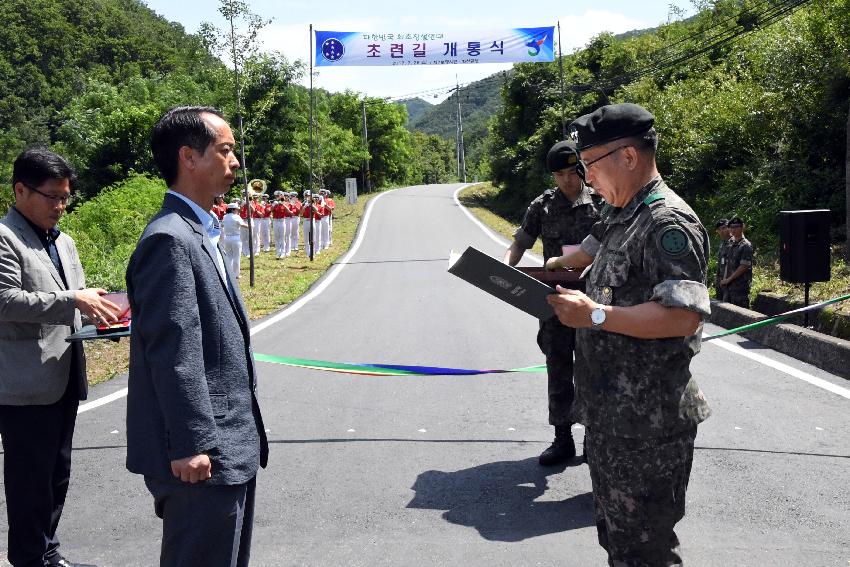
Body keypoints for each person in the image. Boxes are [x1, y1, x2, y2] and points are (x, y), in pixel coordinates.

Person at [545, 103, 712, 566]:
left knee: (646, 552)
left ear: (629, 157)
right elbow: (587, 255)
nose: (587, 177)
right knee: (620, 544)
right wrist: (543, 273)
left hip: (650, 425)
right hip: (612, 418)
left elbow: (683, 316)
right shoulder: (623, 213)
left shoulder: (666, 222)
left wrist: (596, 315)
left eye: (591, 165)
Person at [125, 106, 269, 566]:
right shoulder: (170, 239)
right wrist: (191, 443)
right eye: (225, 151)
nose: (235, 163)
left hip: (228, 447)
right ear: (189, 157)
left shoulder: (199, 229)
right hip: (203, 458)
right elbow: (175, 352)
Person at [0, 146, 122, 567]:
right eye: (52, 196)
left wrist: (103, 320)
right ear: (20, 190)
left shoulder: (63, 241)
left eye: (66, 196)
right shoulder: (4, 237)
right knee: (29, 480)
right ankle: (29, 558)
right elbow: (4, 301)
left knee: (57, 474)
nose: (61, 206)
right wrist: (73, 299)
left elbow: (73, 304)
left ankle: (48, 552)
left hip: (65, 374)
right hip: (24, 384)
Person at [502, 139, 602, 466]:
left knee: (594, 368)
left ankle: (594, 439)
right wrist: (505, 268)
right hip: (556, 301)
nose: (566, 180)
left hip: (594, 297)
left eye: (570, 172)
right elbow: (520, 241)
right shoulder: (543, 206)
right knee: (558, 366)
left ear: (581, 168)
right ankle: (562, 439)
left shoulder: (602, 201)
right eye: (558, 175)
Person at [720, 217, 754, 308]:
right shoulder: (731, 244)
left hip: (740, 287)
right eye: (731, 227)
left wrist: (728, 279)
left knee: (741, 315)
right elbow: (727, 264)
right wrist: (724, 279)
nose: (733, 230)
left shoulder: (745, 245)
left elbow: (743, 267)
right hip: (729, 287)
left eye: (736, 227)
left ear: (742, 228)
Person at [221, 201, 248, 278]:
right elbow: (242, 224)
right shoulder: (236, 217)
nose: (237, 211)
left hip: (227, 238)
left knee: (229, 256)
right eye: (236, 209)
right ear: (233, 210)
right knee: (236, 256)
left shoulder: (225, 217)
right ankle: (236, 274)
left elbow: (222, 225)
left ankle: (229, 273)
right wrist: (250, 226)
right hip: (235, 237)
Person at [714, 218, 730, 297]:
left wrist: (726, 280)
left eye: (724, 228)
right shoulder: (723, 243)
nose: (722, 231)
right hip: (721, 281)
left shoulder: (735, 243)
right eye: (719, 229)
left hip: (731, 282)